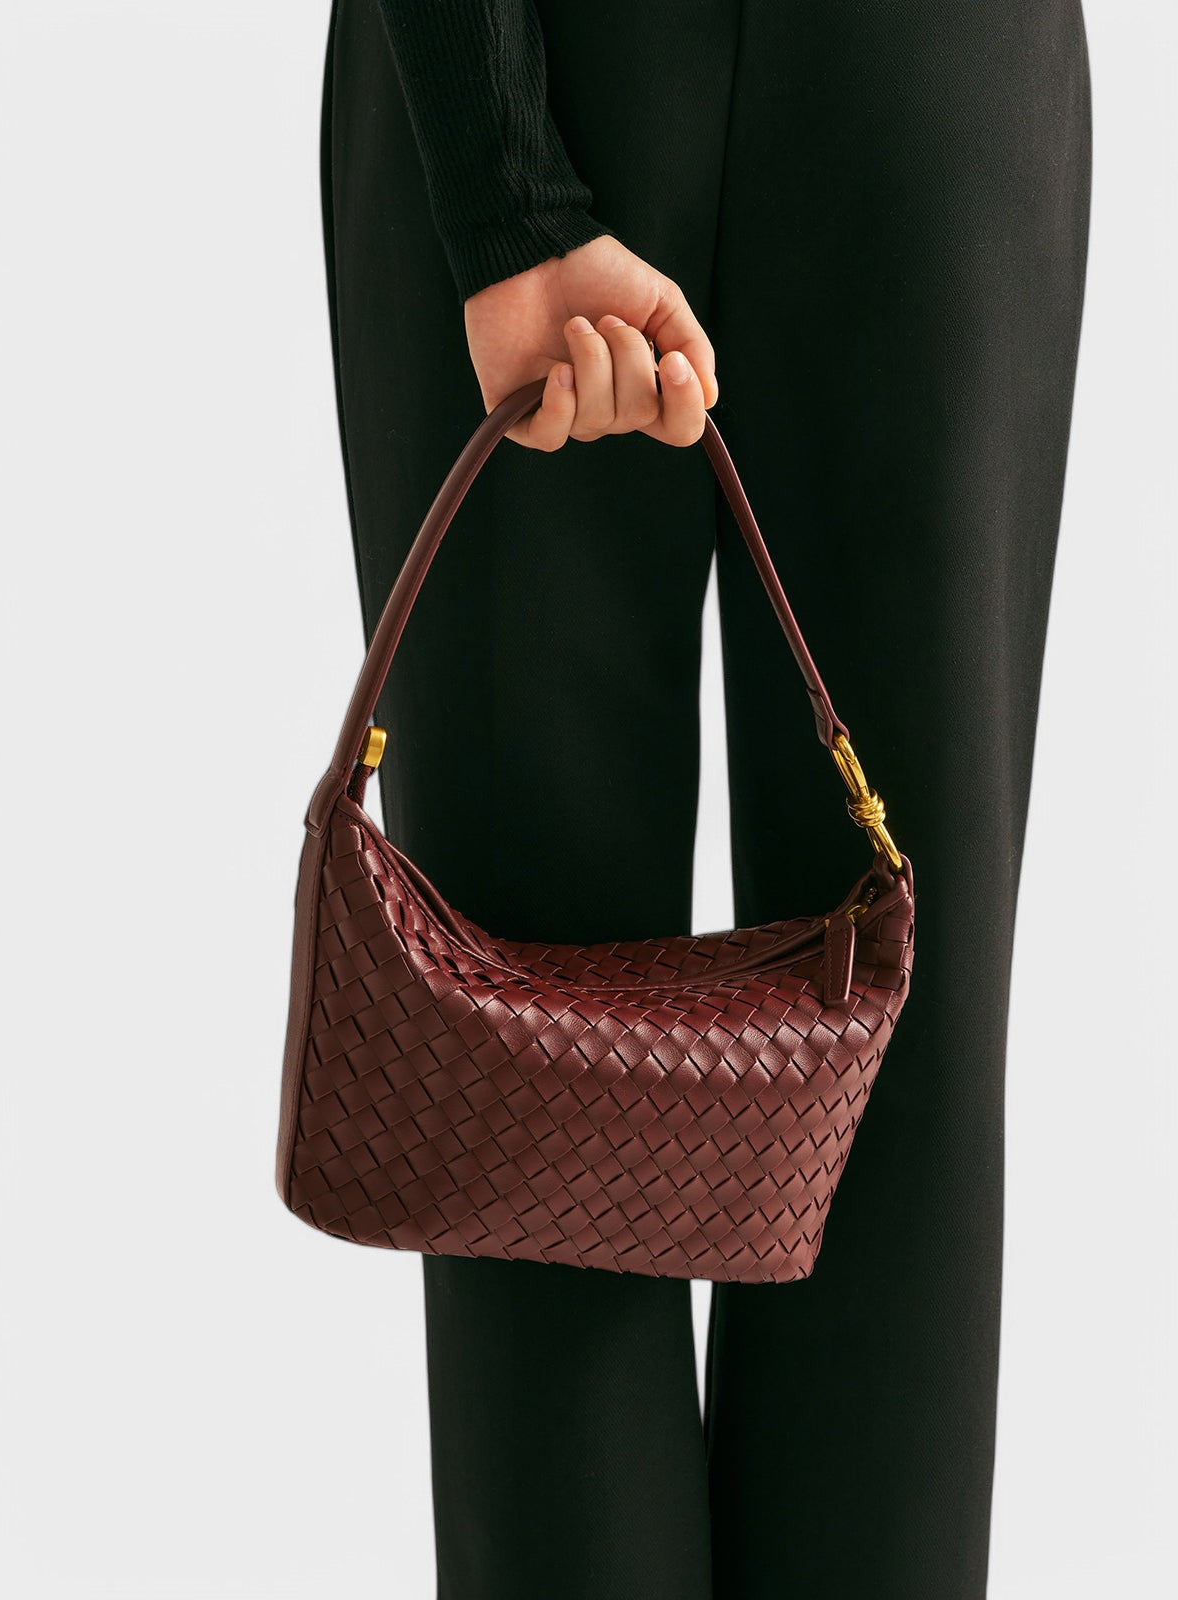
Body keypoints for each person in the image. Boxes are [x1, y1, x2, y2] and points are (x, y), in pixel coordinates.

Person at [317, 2, 1092, 1596]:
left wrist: (502, 176)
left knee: (561, 1092)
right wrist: (506, 186)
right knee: (613, 1076)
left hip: (594, 64)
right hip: (878, 81)